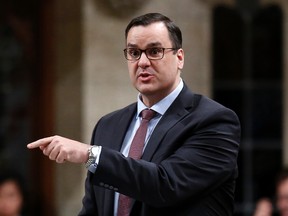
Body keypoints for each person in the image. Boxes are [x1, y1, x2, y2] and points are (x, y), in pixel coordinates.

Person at [27, 12, 241, 216]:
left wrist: (90, 154)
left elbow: (165, 186)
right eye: (134, 52)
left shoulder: (214, 121)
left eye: (155, 51)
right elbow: (94, 208)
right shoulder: (108, 125)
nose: (143, 62)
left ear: (180, 57)